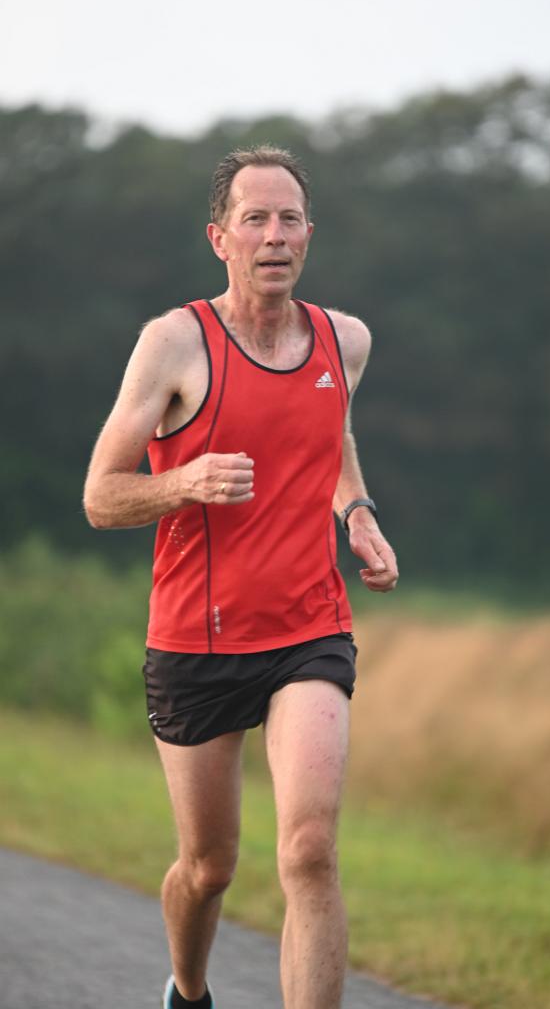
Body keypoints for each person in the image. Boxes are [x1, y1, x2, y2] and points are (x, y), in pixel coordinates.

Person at [83, 144, 398, 1009]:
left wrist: (357, 513)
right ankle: (188, 990)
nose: (274, 236)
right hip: (196, 638)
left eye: (289, 219)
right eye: (254, 219)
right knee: (208, 866)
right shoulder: (174, 343)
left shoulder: (345, 341)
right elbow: (101, 497)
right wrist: (184, 480)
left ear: (309, 234)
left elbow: (330, 435)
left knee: (308, 850)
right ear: (218, 238)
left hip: (309, 628)